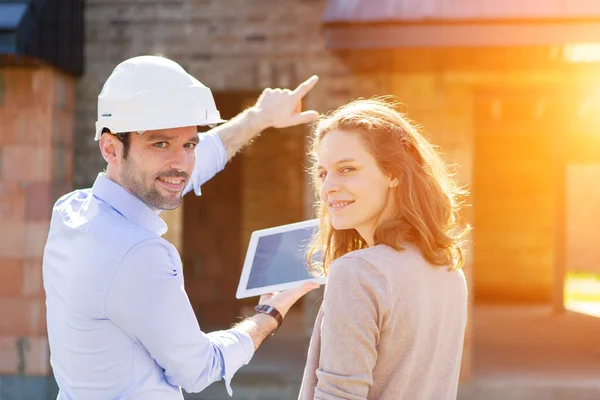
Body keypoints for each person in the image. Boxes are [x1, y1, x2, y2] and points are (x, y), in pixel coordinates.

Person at [42, 55, 320, 400]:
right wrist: (269, 313)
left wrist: (259, 117)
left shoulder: (71, 210)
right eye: (160, 144)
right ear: (111, 148)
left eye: (188, 144)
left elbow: (192, 163)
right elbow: (199, 369)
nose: (181, 164)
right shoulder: (138, 254)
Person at [298, 98, 470, 400]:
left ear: (394, 173)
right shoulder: (449, 271)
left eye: (347, 169)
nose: (328, 188)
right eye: (323, 173)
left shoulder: (357, 273)